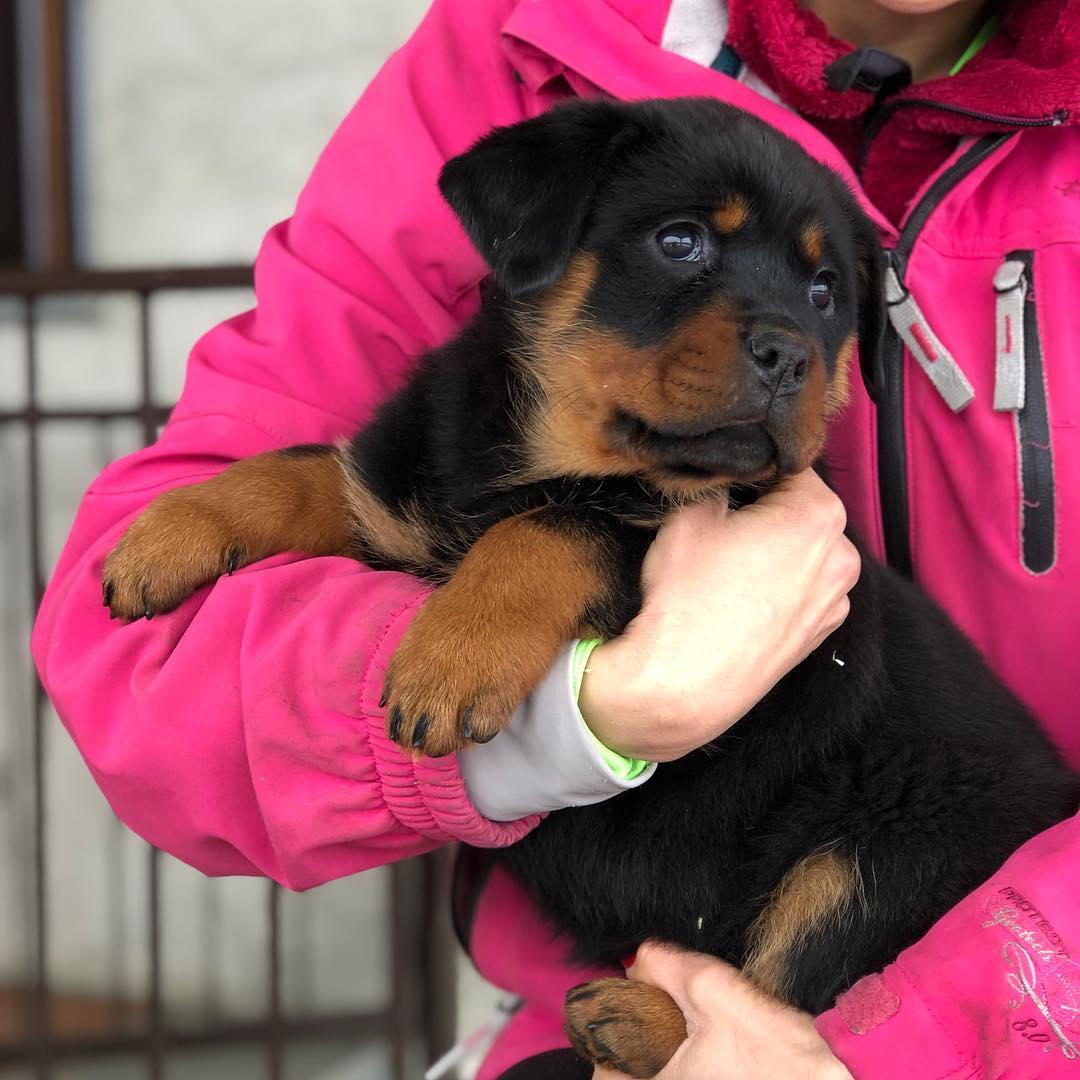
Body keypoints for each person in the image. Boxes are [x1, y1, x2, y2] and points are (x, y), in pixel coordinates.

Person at [32, 0, 1080, 1076]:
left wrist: (870, 1055)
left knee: (890, 853)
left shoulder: (749, 517)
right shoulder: (521, 56)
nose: (781, 339)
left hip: (961, 944)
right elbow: (198, 613)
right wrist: (578, 711)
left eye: (820, 293)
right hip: (579, 1009)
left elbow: (582, 547)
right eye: (684, 244)